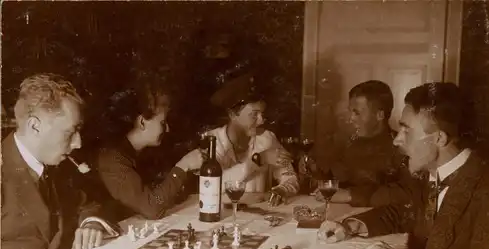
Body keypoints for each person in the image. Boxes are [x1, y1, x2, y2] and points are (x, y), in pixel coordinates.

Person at [318, 82, 489, 249]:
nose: (396, 140)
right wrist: (350, 225)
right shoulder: (433, 174)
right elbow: (405, 212)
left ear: (440, 138)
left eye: (406, 130)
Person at [1, 73, 116, 249]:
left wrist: (91, 222)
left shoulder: (57, 168)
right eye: (70, 132)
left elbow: (89, 203)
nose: (78, 143)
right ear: (34, 125)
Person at [95, 78, 205, 220]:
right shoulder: (113, 160)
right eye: (163, 122)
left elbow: (164, 196)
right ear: (142, 122)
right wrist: (184, 166)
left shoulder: (143, 152)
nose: (168, 128)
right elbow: (151, 208)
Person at [188, 69, 299, 206]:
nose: (261, 121)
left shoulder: (267, 138)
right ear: (232, 115)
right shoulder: (211, 141)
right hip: (219, 218)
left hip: (258, 219)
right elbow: (210, 185)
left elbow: (290, 177)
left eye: (262, 114)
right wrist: (258, 160)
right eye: (254, 114)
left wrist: (282, 190)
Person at [303, 80, 413, 207]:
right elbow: (329, 180)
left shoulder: (400, 148)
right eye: (350, 111)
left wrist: (351, 195)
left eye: (357, 113)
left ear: (379, 115)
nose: (351, 119)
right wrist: (313, 167)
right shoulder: (347, 143)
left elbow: (407, 194)